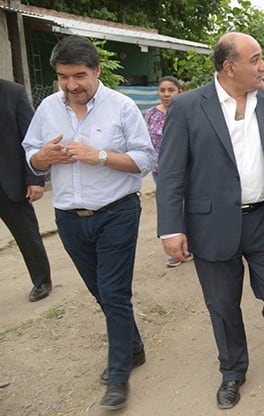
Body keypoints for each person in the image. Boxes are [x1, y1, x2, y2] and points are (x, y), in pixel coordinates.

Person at [156, 32, 264, 409]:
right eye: (255, 59)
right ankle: (233, 371)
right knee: (222, 305)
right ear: (228, 67)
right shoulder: (188, 107)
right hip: (211, 224)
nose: (263, 67)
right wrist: (171, 228)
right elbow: (171, 172)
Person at [22, 35, 155, 410]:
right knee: (101, 292)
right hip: (68, 218)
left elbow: (144, 160)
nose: (71, 85)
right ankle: (134, 348)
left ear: (96, 71)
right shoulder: (48, 108)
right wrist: (42, 159)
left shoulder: (123, 107)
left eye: (79, 75)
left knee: (113, 293)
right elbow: (31, 155)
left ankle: (117, 376)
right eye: (63, 76)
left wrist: (98, 155)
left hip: (116, 213)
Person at [0, 78, 52, 302]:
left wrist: (35, 179)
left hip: (9, 182)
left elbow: (32, 140)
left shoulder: (13, 93)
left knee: (27, 235)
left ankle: (42, 280)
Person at [144, 76, 190, 268]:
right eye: (162, 90)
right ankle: (176, 248)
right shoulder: (151, 114)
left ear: (179, 91)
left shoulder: (186, 112)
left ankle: (190, 244)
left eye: (170, 90)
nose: (166, 94)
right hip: (160, 170)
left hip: (185, 169)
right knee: (171, 207)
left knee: (188, 207)